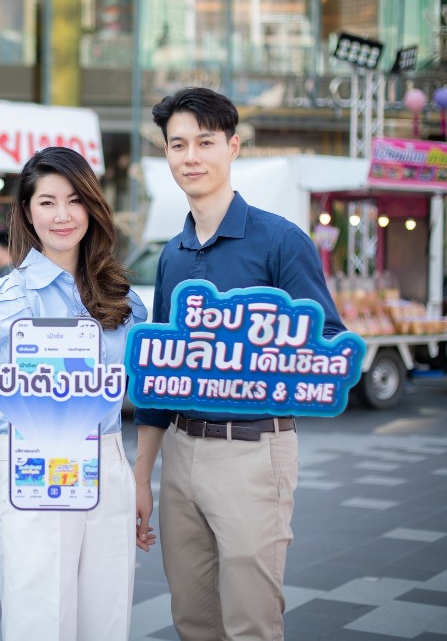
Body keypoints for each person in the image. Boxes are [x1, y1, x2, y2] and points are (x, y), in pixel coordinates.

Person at [133, 87, 346, 641]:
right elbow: (160, 371)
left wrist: (257, 349)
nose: (191, 156)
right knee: (192, 618)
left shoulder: (280, 240)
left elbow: (327, 337)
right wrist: (142, 476)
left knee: (251, 622)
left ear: (234, 147)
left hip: (254, 452)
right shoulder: (172, 255)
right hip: (180, 453)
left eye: (205, 142)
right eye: (177, 145)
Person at [0, 146, 149, 640]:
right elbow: (39, 382)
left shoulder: (125, 297)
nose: (62, 215)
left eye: (74, 200)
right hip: (39, 456)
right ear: (28, 213)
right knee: (41, 619)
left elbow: (134, 385)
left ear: (92, 207)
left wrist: (138, 479)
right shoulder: (7, 297)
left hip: (108, 455)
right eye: (47, 202)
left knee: (108, 617)